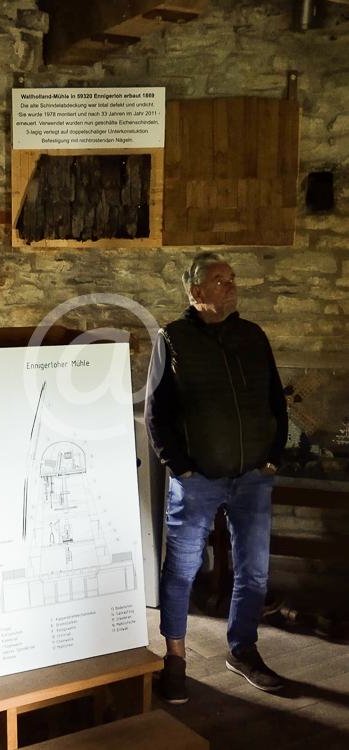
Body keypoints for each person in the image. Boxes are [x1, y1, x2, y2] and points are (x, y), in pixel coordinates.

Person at [145, 251, 288, 704]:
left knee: (255, 572)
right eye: (220, 280)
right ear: (196, 291)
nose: (231, 286)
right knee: (181, 571)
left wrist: (272, 457)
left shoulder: (252, 336)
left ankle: (243, 650)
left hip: (252, 477)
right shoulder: (173, 339)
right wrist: (180, 466)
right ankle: (176, 660)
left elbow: (274, 401)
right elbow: (157, 413)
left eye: (232, 278)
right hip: (198, 480)